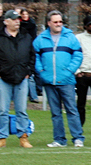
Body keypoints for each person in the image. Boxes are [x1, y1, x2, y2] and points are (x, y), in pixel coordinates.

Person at [0, 9, 34, 149]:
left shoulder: (26, 36)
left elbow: (32, 56)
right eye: (14, 19)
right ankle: (2, 138)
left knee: (22, 110)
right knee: (2, 110)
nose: (17, 21)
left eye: (18, 19)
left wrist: (28, 72)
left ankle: (23, 137)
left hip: (21, 78)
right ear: (6, 21)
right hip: (3, 79)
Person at [34, 10, 85, 148]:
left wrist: (69, 71)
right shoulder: (40, 39)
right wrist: (42, 72)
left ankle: (78, 138)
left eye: (60, 22)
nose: (58, 24)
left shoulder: (70, 37)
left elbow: (78, 56)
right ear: (49, 23)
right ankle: (59, 139)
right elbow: (35, 57)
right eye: (55, 22)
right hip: (49, 81)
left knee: (72, 110)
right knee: (55, 113)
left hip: (67, 81)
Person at [17, 7, 41, 102]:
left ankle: (35, 93)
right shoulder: (19, 24)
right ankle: (33, 95)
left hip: (30, 48)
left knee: (32, 74)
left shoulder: (31, 24)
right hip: (23, 49)